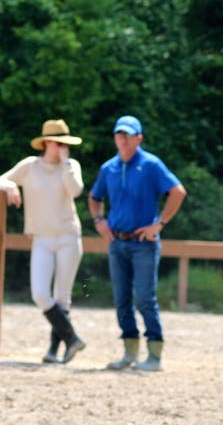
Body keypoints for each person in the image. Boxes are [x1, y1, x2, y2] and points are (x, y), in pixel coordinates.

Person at [88, 116, 187, 371]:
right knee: (121, 299)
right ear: (115, 138)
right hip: (117, 243)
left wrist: (159, 224)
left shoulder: (151, 164)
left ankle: (155, 354)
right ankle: (129, 352)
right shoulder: (108, 168)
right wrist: (99, 220)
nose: (122, 139)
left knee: (144, 298)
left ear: (138, 138)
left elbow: (178, 191)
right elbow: (94, 196)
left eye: (128, 135)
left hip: (144, 244)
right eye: (119, 135)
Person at [0, 119, 86, 363]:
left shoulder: (71, 166)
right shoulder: (30, 166)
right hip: (41, 238)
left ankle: (54, 351)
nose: (62, 148)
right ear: (46, 142)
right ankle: (72, 339)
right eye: (58, 143)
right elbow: (1, 179)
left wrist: (67, 163)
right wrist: (10, 188)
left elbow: (76, 190)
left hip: (68, 236)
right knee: (40, 293)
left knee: (62, 296)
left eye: (65, 144)